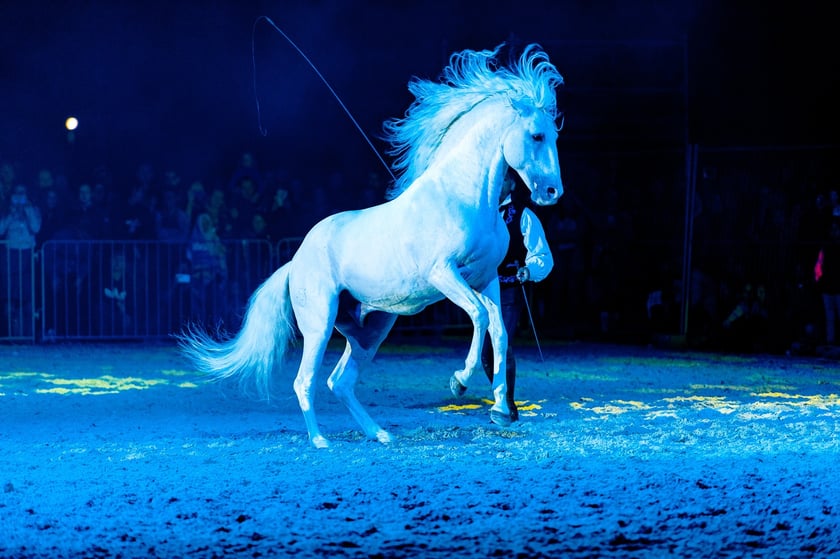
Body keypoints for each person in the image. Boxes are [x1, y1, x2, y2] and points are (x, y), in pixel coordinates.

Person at [481, 170, 554, 422]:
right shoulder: (481, 214)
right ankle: (502, 398)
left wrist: (529, 269)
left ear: (511, 183)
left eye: (501, 179)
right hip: (484, 290)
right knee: (485, 356)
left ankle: (508, 405)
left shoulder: (523, 214)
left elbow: (542, 253)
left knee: (502, 346)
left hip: (510, 289)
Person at [0, 184, 42, 336]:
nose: (19, 196)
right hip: (10, 256)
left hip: (26, 255)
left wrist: (28, 210)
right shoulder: (4, 211)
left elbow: (36, 228)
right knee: (9, 296)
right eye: (16, 193)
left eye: (22, 193)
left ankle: (27, 335)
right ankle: (11, 335)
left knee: (26, 296)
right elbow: (0, 230)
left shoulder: (34, 210)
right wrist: (11, 214)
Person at [815, 218, 840, 348]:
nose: (834, 231)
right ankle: (830, 342)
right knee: (829, 316)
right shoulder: (826, 247)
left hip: (838, 287)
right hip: (828, 287)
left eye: (837, 229)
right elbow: (819, 265)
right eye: (833, 229)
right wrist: (819, 279)